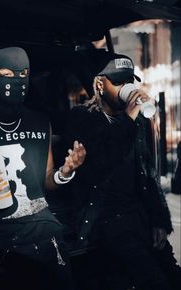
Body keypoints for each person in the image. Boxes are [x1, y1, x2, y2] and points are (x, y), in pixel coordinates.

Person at [0, 47, 86, 290]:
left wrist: (65, 173)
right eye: (7, 73)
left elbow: (45, 181)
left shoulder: (41, 122)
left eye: (24, 74)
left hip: (46, 240)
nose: (17, 80)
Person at [64, 53, 181, 290]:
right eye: (118, 82)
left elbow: (147, 171)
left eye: (129, 80)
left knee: (173, 272)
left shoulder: (135, 123)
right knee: (153, 280)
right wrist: (128, 117)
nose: (126, 87)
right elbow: (101, 162)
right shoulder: (82, 118)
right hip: (104, 218)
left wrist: (158, 219)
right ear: (99, 84)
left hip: (136, 214)